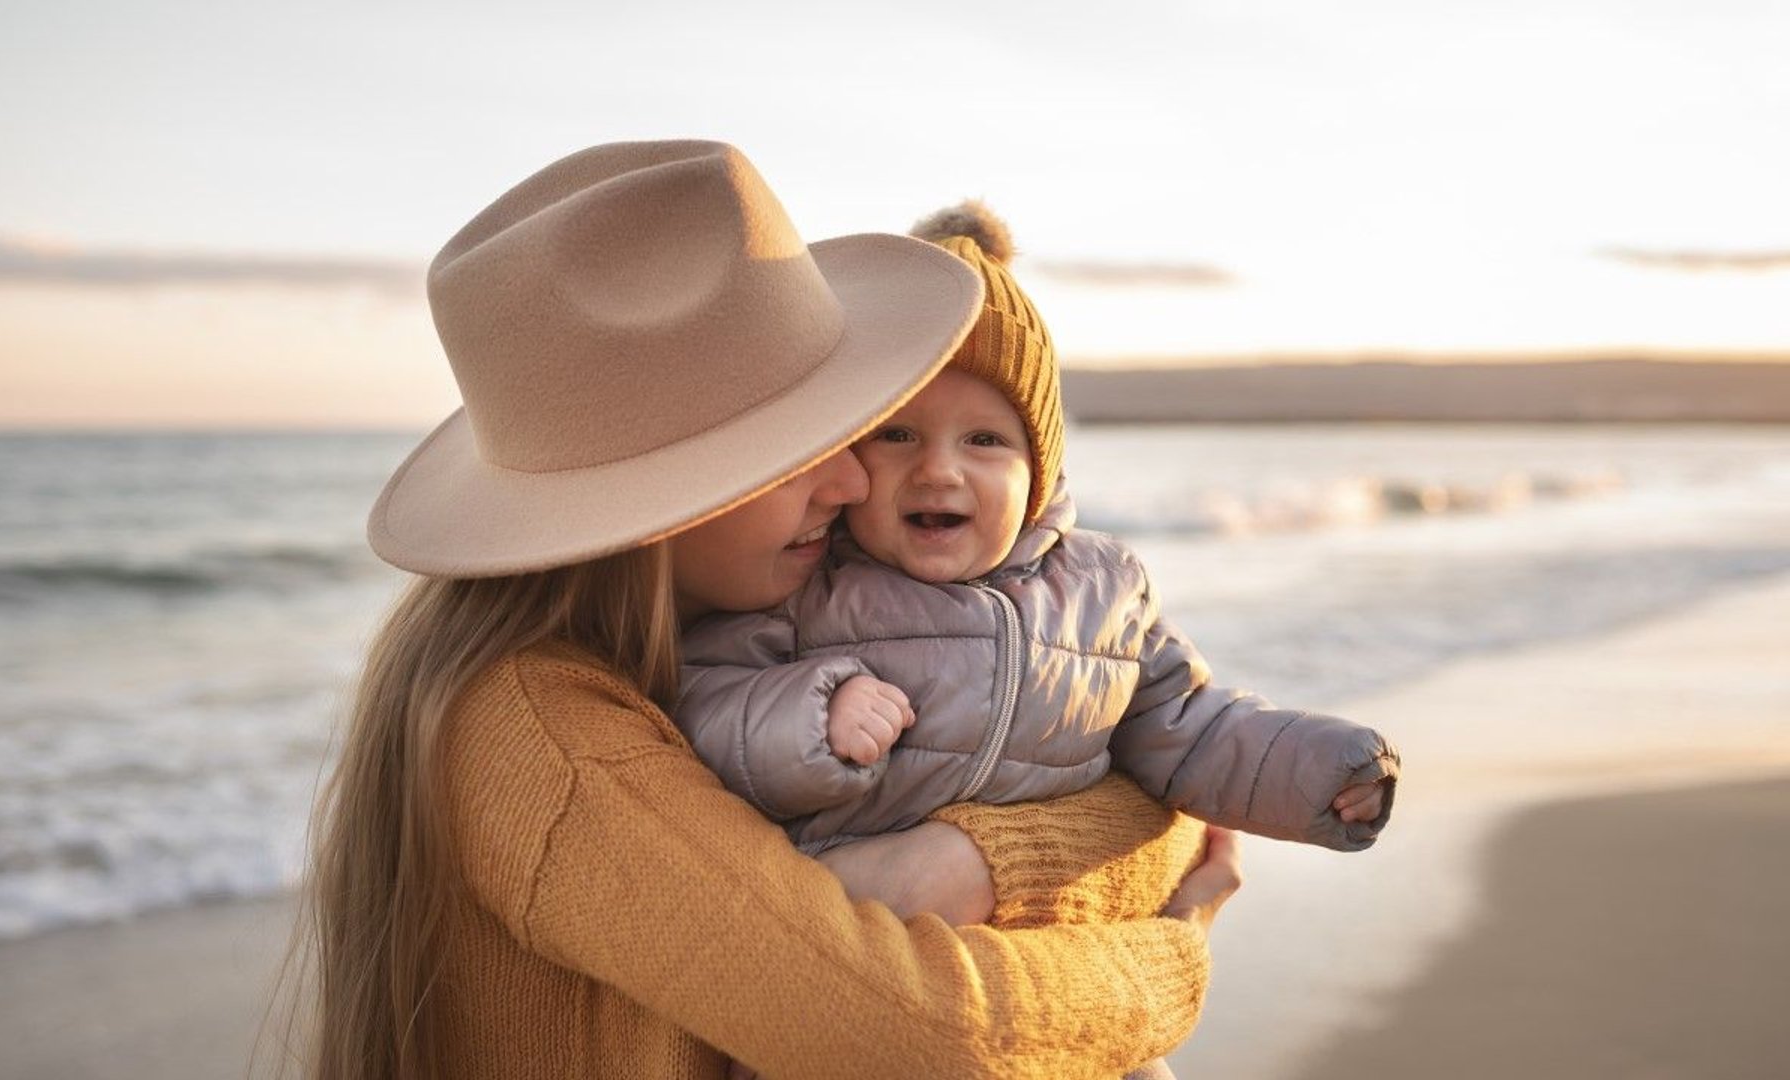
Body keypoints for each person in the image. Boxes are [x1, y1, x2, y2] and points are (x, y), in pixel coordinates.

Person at [280, 140, 1242, 1080]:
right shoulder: (543, 737)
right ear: (655, 501)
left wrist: (978, 862)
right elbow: (918, 1034)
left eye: (851, 426)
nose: (854, 474)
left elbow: (1129, 799)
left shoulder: (688, 664)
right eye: (794, 443)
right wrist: (1175, 950)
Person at [676, 201, 1400, 858]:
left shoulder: (1104, 589)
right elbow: (702, 704)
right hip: (853, 921)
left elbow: (1189, 726)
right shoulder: (813, 587)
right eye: (897, 435)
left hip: (1018, 936)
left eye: (984, 442)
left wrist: (1323, 773)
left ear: (1040, 471)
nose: (939, 472)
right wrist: (812, 714)